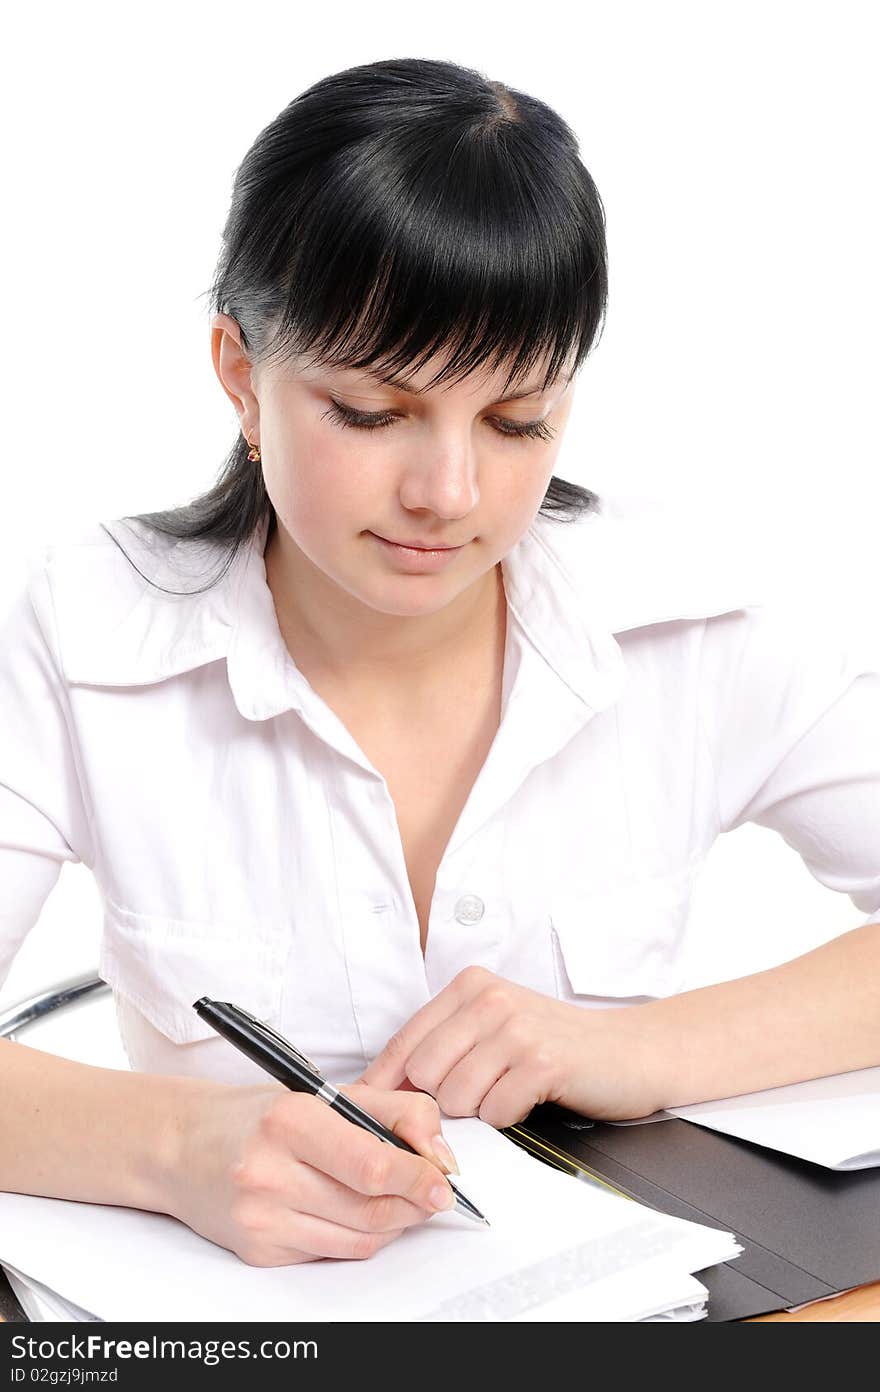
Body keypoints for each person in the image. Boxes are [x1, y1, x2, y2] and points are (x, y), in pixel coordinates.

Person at [1, 56, 878, 1272]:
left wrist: (645, 1049)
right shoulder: (83, 630)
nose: (448, 495)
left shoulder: (694, 620)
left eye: (517, 422)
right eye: (372, 412)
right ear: (243, 377)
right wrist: (173, 1148)